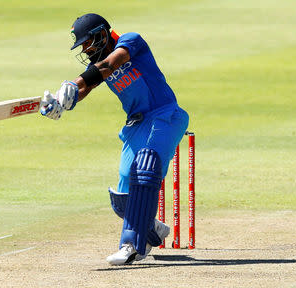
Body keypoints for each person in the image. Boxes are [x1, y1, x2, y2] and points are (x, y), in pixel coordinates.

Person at [40, 13, 189, 265]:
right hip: (136, 124)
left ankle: (131, 246)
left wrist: (74, 83)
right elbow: (86, 87)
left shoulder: (131, 42)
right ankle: (153, 230)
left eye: (87, 42)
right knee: (122, 201)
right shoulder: (96, 66)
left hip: (165, 115)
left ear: (101, 34)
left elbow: (111, 63)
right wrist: (61, 102)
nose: (85, 49)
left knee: (146, 167)